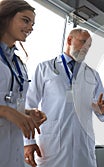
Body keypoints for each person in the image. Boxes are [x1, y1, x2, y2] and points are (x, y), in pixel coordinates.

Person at [24, 28, 104, 167]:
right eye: (83, 42)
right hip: (53, 143)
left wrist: (101, 109)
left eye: (88, 46)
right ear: (69, 40)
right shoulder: (45, 68)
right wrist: (28, 142)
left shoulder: (92, 74)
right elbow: (28, 105)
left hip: (83, 145)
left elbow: (103, 103)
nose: (86, 49)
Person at [0, 0, 47, 166]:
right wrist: (6, 111)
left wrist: (26, 112)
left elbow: (8, 99)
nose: (30, 28)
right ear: (6, 17)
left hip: (12, 148)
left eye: (32, 24)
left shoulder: (18, 63)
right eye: (25, 20)